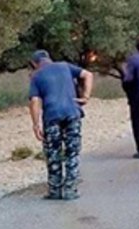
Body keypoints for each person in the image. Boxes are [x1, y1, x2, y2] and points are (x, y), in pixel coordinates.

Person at [28, 50, 94, 200]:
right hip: (72, 113)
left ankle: (55, 190)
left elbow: (34, 101)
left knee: (53, 153)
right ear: (49, 58)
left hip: (51, 117)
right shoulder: (65, 66)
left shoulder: (36, 76)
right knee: (72, 152)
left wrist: (35, 124)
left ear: (34, 63)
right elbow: (88, 75)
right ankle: (70, 189)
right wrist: (85, 97)